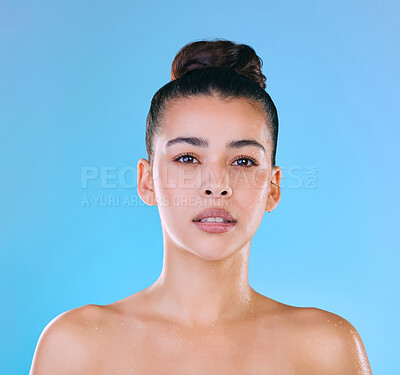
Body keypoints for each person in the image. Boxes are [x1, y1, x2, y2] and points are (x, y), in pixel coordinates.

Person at [30, 39, 372, 374]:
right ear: (147, 181)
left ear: (273, 187)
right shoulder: (75, 346)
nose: (217, 185)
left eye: (242, 161)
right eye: (188, 158)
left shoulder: (326, 350)